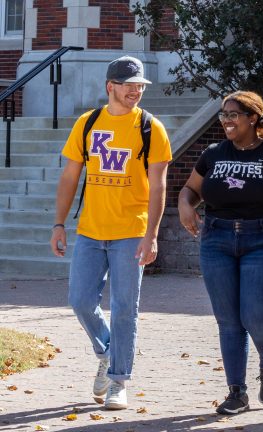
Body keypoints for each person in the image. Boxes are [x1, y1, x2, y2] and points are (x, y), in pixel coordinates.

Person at [49, 56, 172, 409]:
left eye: (140, 86)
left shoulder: (151, 128)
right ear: (110, 86)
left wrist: (151, 234)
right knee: (80, 301)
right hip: (90, 230)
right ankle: (106, 352)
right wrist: (59, 224)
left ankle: (119, 380)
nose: (136, 91)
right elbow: (70, 177)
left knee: (124, 308)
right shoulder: (87, 123)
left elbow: (159, 187)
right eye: (129, 85)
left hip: (131, 231)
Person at [177, 91, 263, 414]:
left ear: (253, 118)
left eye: (233, 115)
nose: (227, 121)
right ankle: (237, 392)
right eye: (223, 115)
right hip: (216, 240)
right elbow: (190, 190)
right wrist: (185, 205)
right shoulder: (213, 153)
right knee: (228, 319)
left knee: (258, 314)